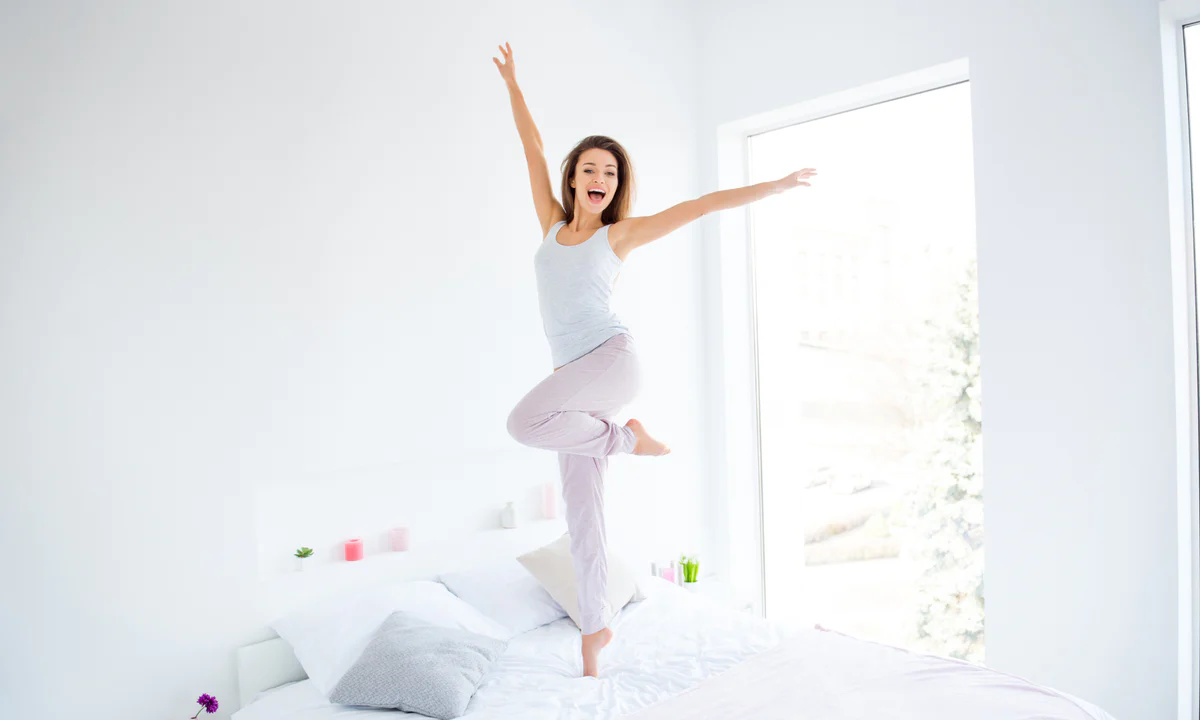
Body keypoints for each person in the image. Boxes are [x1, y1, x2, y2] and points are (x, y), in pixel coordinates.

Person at [494, 41, 815, 678]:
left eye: (609, 175)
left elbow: (699, 207)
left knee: (520, 423)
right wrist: (512, 84)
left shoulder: (621, 234)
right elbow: (531, 146)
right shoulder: (551, 225)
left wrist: (775, 185)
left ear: (616, 187)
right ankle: (595, 632)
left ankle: (625, 438)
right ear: (573, 177)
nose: (598, 180)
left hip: (610, 361)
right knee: (582, 510)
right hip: (574, 380)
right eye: (589, 170)